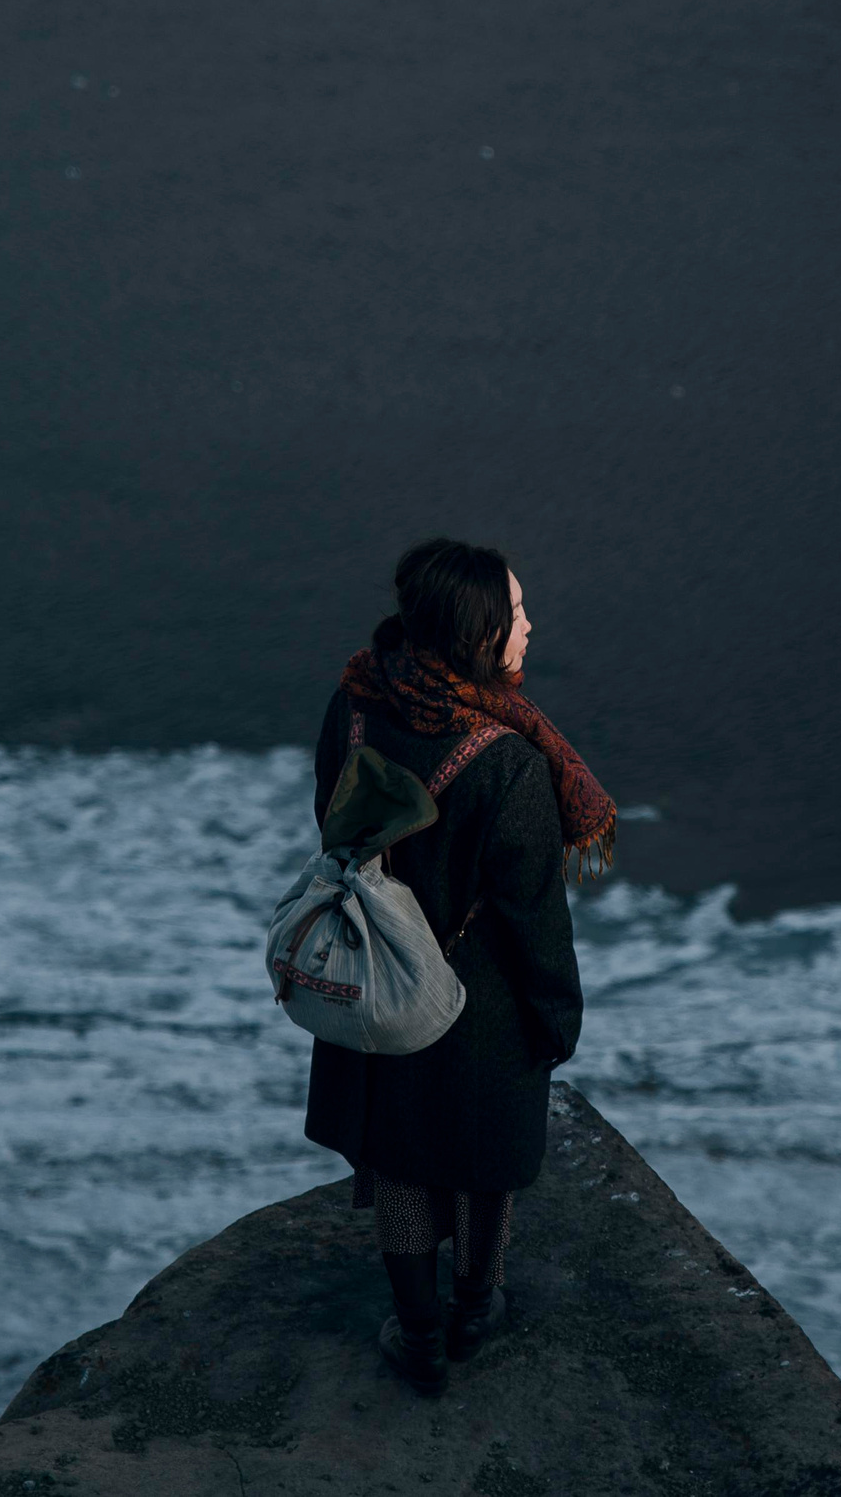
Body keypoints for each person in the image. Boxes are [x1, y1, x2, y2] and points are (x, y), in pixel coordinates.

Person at [305, 537, 614, 1397]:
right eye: (515, 613)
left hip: (379, 979)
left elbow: (330, 814)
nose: (528, 625)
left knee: (403, 1167)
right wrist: (558, 1016)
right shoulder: (508, 762)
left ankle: (419, 1335)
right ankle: (476, 1309)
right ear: (478, 635)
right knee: (482, 1165)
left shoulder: (355, 703)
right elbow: (532, 916)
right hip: (477, 1001)